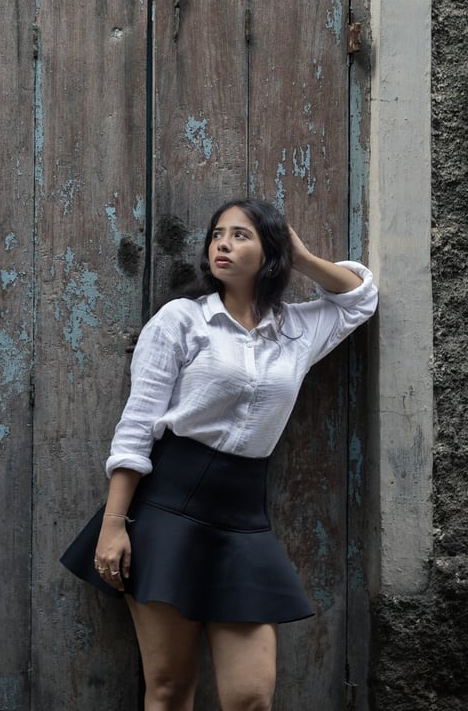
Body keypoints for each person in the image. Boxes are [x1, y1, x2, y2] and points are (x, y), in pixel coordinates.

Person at [61, 197, 378, 711]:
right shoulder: (182, 321)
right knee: (168, 690)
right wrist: (115, 524)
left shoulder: (296, 330)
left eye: (241, 235)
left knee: (251, 695)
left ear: (270, 251)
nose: (223, 244)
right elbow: (137, 426)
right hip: (165, 507)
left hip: (242, 516)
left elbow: (360, 298)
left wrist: (299, 256)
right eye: (217, 235)